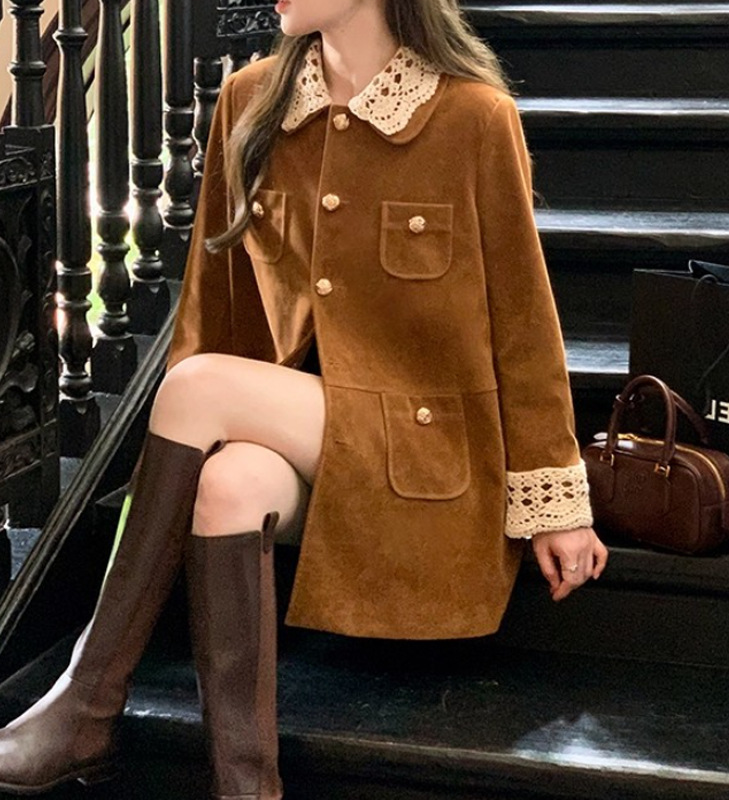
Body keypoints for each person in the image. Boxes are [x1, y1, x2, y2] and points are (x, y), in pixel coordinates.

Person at [0, 0, 608, 796]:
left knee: (195, 384)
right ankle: (246, 786)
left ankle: (88, 701)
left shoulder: (472, 117)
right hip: (314, 435)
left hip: (427, 453)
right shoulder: (250, 102)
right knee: (227, 483)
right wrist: (204, 444)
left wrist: (557, 502)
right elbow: (213, 305)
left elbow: (523, 323)